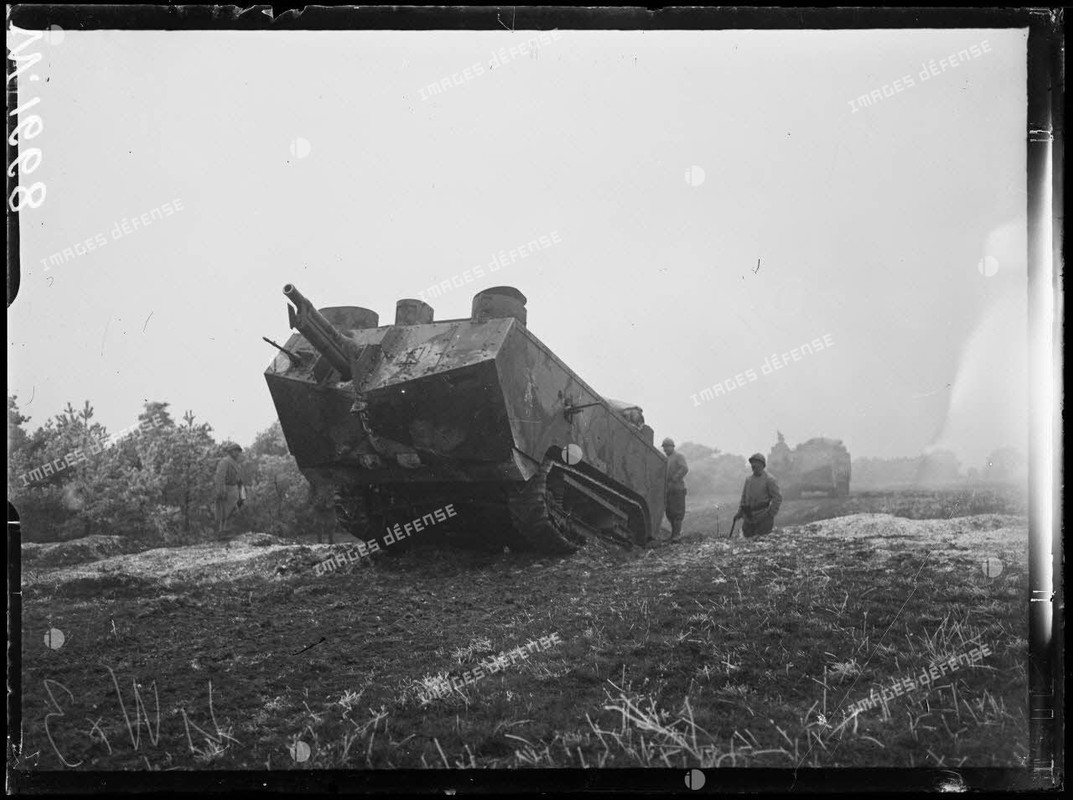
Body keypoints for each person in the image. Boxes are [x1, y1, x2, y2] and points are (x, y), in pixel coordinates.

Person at [733, 452, 781, 539]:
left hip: (763, 516)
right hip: (748, 517)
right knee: (748, 542)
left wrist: (771, 514)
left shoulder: (770, 480)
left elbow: (777, 498)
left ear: (763, 465)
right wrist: (740, 512)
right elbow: (744, 498)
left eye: (757, 463)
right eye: (752, 463)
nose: (754, 465)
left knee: (761, 542)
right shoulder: (748, 480)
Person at [214, 443, 246, 538]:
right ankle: (223, 532)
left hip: (234, 489)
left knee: (232, 511)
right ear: (231, 452)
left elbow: (239, 479)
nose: (237, 453)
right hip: (226, 490)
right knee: (226, 512)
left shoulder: (235, 463)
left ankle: (225, 531)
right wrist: (221, 490)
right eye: (235, 451)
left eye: (238, 451)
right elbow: (220, 477)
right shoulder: (225, 462)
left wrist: (241, 492)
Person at [661, 437, 689, 541]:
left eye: (667, 447)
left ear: (672, 447)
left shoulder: (678, 456)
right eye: (664, 447)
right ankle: (673, 535)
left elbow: (684, 468)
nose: (665, 449)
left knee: (677, 513)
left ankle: (677, 535)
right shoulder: (666, 459)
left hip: (678, 489)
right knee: (670, 513)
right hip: (669, 490)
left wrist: (675, 478)